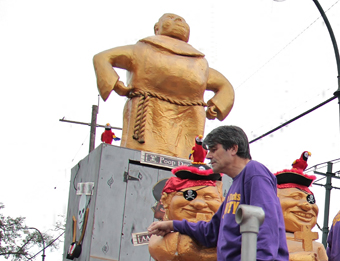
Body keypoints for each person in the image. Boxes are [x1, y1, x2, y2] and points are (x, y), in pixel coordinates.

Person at [147, 126, 288, 261]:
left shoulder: (255, 172)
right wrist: (172, 224)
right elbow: (211, 232)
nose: (208, 155)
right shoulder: (236, 185)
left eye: (214, 149)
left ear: (233, 148)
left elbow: (266, 220)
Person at [93, 13, 234, 158]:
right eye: (171, 18)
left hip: (188, 121)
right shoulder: (141, 50)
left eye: (183, 20)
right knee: (140, 158)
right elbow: (102, 58)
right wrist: (116, 84)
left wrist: (216, 106)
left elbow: (225, 86)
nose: (179, 21)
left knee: (184, 160)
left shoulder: (200, 63)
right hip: (146, 114)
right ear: (157, 28)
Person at [146, 164, 222, 261]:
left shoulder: (223, 231)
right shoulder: (164, 232)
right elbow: (163, 249)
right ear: (167, 201)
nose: (199, 203)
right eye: (189, 195)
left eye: (209, 197)